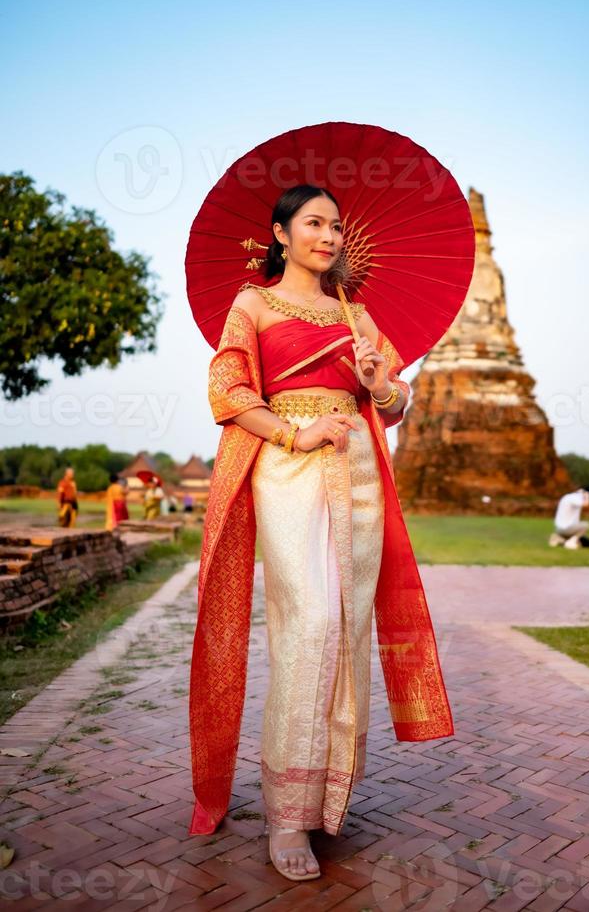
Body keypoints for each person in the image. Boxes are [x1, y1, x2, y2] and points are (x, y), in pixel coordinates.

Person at [188, 184, 453, 881]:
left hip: (358, 469)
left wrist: (378, 384)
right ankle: (284, 816)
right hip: (288, 469)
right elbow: (227, 391)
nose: (329, 236)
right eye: (313, 223)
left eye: (335, 225)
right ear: (280, 234)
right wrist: (294, 432)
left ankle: (327, 797)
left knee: (346, 626)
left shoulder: (356, 312)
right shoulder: (253, 305)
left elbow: (395, 406)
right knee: (307, 623)